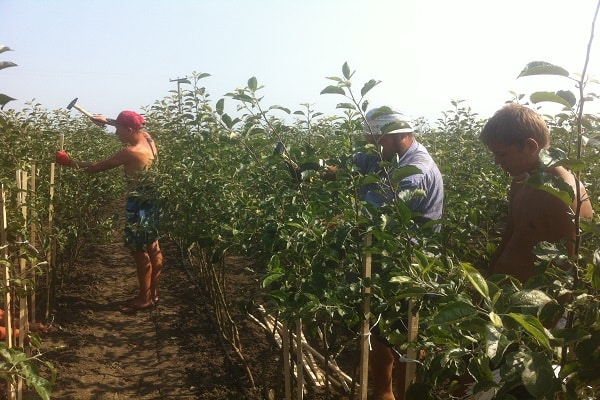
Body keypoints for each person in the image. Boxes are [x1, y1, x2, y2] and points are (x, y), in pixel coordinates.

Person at [355, 107, 444, 400]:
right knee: (383, 330)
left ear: (401, 137)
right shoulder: (390, 155)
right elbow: (357, 162)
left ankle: (408, 392)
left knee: (408, 335)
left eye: (377, 141)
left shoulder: (414, 171)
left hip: (411, 268)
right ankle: (384, 392)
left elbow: (372, 211)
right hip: (388, 261)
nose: (373, 149)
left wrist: (336, 220)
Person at [55, 110, 163, 314]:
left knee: (138, 251)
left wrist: (68, 162)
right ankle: (153, 293)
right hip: (153, 200)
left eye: (119, 130)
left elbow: (95, 168)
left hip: (138, 204)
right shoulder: (148, 139)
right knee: (153, 246)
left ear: (129, 130)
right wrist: (107, 120)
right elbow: (128, 126)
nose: (116, 134)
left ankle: (144, 298)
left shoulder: (130, 151)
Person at [480, 103, 593, 284]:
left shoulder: (564, 196)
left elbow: (566, 271)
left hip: (533, 308)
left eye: (502, 154)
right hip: (502, 299)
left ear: (530, 146)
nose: (497, 162)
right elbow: (510, 236)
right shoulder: (520, 182)